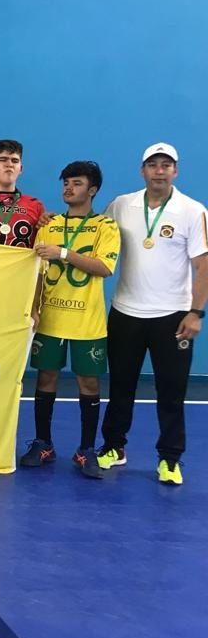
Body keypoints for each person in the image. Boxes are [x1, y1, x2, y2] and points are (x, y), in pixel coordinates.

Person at [97, 143, 208, 485]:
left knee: (171, 392)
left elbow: (203, 265)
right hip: (125, 313)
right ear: (142, 170)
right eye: (153, 165)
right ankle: (114, 447)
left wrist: (196, 313)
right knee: (121, 387)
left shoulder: (192, 210)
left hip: (172, 317)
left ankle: (170, 459)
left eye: (166, 165)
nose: (159, 170)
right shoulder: (121, 205)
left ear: (175, 171)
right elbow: (92, 231)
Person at [21, 161, 120, 479]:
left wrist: (63, 253)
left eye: (76, 183)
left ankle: (86, 449)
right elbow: (37, 271)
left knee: (88, 383)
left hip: (87, 321)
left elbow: (104, 267)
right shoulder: (49, 224)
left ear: (92, 190)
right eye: (66, 183)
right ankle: (43, 444)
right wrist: (33, 308)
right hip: (50, 318)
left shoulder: (106, 226)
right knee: (45, 378)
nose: (68, 188)